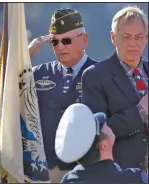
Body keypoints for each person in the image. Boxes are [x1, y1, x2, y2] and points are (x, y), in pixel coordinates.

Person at [30, 8, 97, 182]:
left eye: (66, 41)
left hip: (84, 171)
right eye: (54, 42)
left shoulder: (101, 74)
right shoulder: (37, 73)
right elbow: (3, 92)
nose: (60, 47)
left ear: (84, 40)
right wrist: (25, 55)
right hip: (43, 170)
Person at [81, 5, 148, 169]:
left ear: (146, 38)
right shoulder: (94, 76)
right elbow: (98, 133)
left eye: (138, 36)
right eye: (126, 37)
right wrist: (141, 111)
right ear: (113, 37)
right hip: (123, 173)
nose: (133, 43)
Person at [55, 103, 148, 183]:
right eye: (105, 126)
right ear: (104, 146)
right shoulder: (133, 179)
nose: (108, 125)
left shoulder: (69, 179)